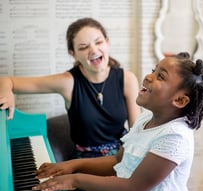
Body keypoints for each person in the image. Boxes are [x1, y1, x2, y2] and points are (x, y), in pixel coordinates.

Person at [32, 52, 203, 191]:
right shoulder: (147, 118)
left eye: (160, 76)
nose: (149, 76)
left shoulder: (175, 136)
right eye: (154, 70)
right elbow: (118, 161)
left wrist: (75, 179)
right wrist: (73, 165)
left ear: (180, 100)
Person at [0, 17, 141, 159]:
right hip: (87, 162)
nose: (93, 50)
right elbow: (6, 81)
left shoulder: (127, 79)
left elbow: (137, 133)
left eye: (99, 42)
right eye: (83, 47)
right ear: (73, 53)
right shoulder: (68, 82)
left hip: (122, 155)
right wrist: (7, 92)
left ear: (107, 43)